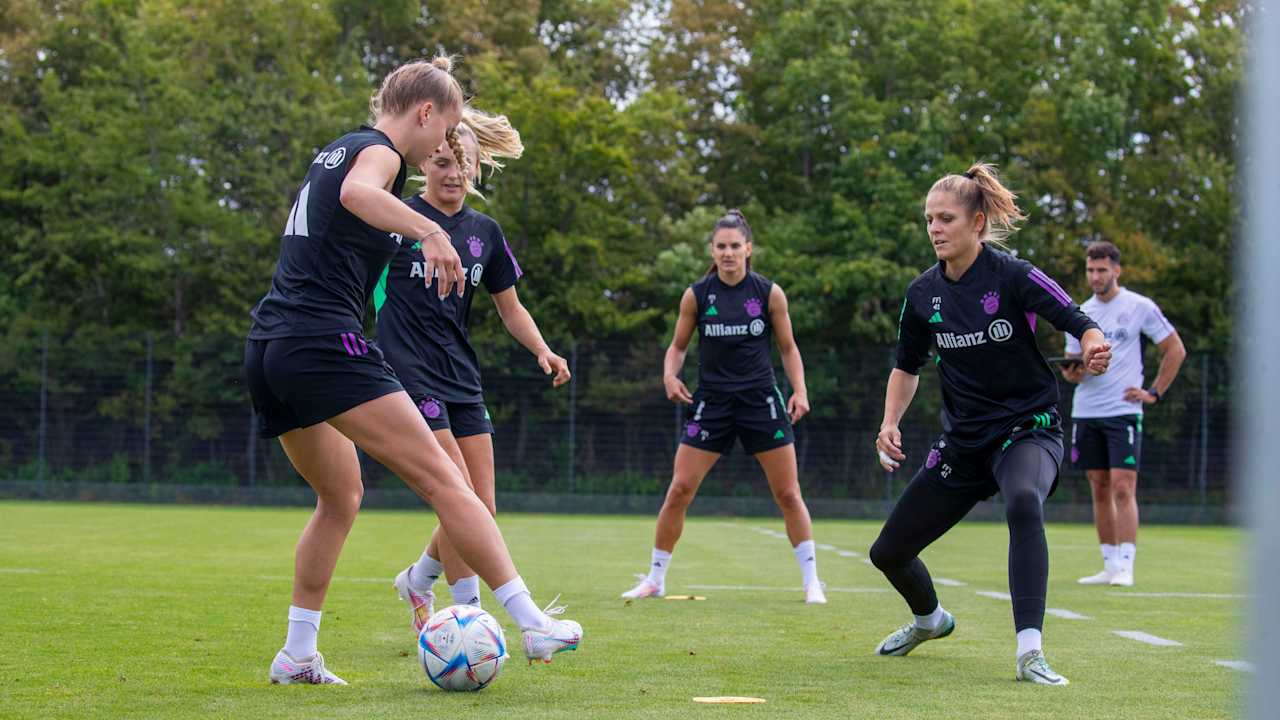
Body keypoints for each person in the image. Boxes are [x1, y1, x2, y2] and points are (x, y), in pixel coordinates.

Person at [243, 58, 580, 685]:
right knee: (452, 488)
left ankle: (297, 654)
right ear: (424, 114)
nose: (440, 147)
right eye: (442, 130)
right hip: (322, 344)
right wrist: (430, 230)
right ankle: (534, 623)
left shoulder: (339, 149)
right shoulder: (380, 155)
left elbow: (346, 211)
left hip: (270, 347)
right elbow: (358, 195)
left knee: (341, 495)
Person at [870, 163, 1111, 686]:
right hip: (963, 444)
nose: (935, 228)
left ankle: (1030, 652)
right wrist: (890, 422)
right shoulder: (922, 294)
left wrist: (1092, 345)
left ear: (977, 222)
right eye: (929, 219)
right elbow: (906, 367)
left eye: (946, 218)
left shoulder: (1014, 275)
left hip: (1028, 428)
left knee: (1024, 501)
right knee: (887, 552)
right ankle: (930, 621)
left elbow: (1078, 319)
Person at [376, 109, 571, 630]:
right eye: (441, 161)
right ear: (425, 163)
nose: (452, 172)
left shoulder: (485, 232)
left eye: (463, 163)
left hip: (460, 374)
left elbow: (511, 307)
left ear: (478, 167)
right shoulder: (398, 219)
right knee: (456, 494)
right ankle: (469, 616)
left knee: (479, 503)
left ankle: (418, 580)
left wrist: (543, 350)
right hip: (407, 372)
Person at [620, 209, 827, 605]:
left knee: (788, 494)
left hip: (760, 401)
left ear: (749, 249)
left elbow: (788, 348)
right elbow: (678, 346)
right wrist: (669, 375)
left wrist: (800, 390)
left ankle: (812, 581)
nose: (728, 253)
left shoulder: (768, 293)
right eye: (721, 246)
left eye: (735, 246)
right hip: (712, 403)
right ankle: (655, 578)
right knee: (679, 489)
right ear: (712, 251)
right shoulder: (697, 295)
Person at [1059, 241, 1185, 587]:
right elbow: (1075, 365)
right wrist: (1074, 372)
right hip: (1086, 410)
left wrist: (1154, 393)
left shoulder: (1139, 306)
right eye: (1090, 270)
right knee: (1098, 487)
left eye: (1102, 270)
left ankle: (1127, 565)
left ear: (1117, 270)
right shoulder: (1079, 311)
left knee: (1122, 486)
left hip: (1123, 411)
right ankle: (1109, 564)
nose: (1095, 276)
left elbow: (1175, 348)